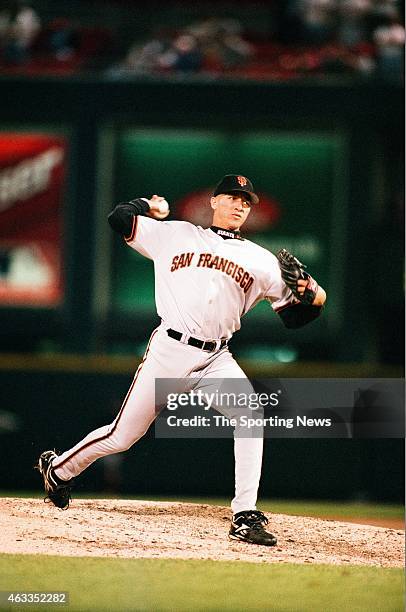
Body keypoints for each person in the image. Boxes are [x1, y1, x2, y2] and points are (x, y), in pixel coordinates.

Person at [37, 174, 326, 546]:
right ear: (214, 201)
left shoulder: (262, 260)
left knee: (251, 416)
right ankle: (58, 469)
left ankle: (245, 515)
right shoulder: (176, 234)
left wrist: (316, 296)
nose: (240, 205)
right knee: (122, 436)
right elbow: (118, 218)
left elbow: (294, 317)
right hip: (170, 351)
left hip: (216, 357)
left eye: (247, 201)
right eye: (233, 198)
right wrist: (148, 207)